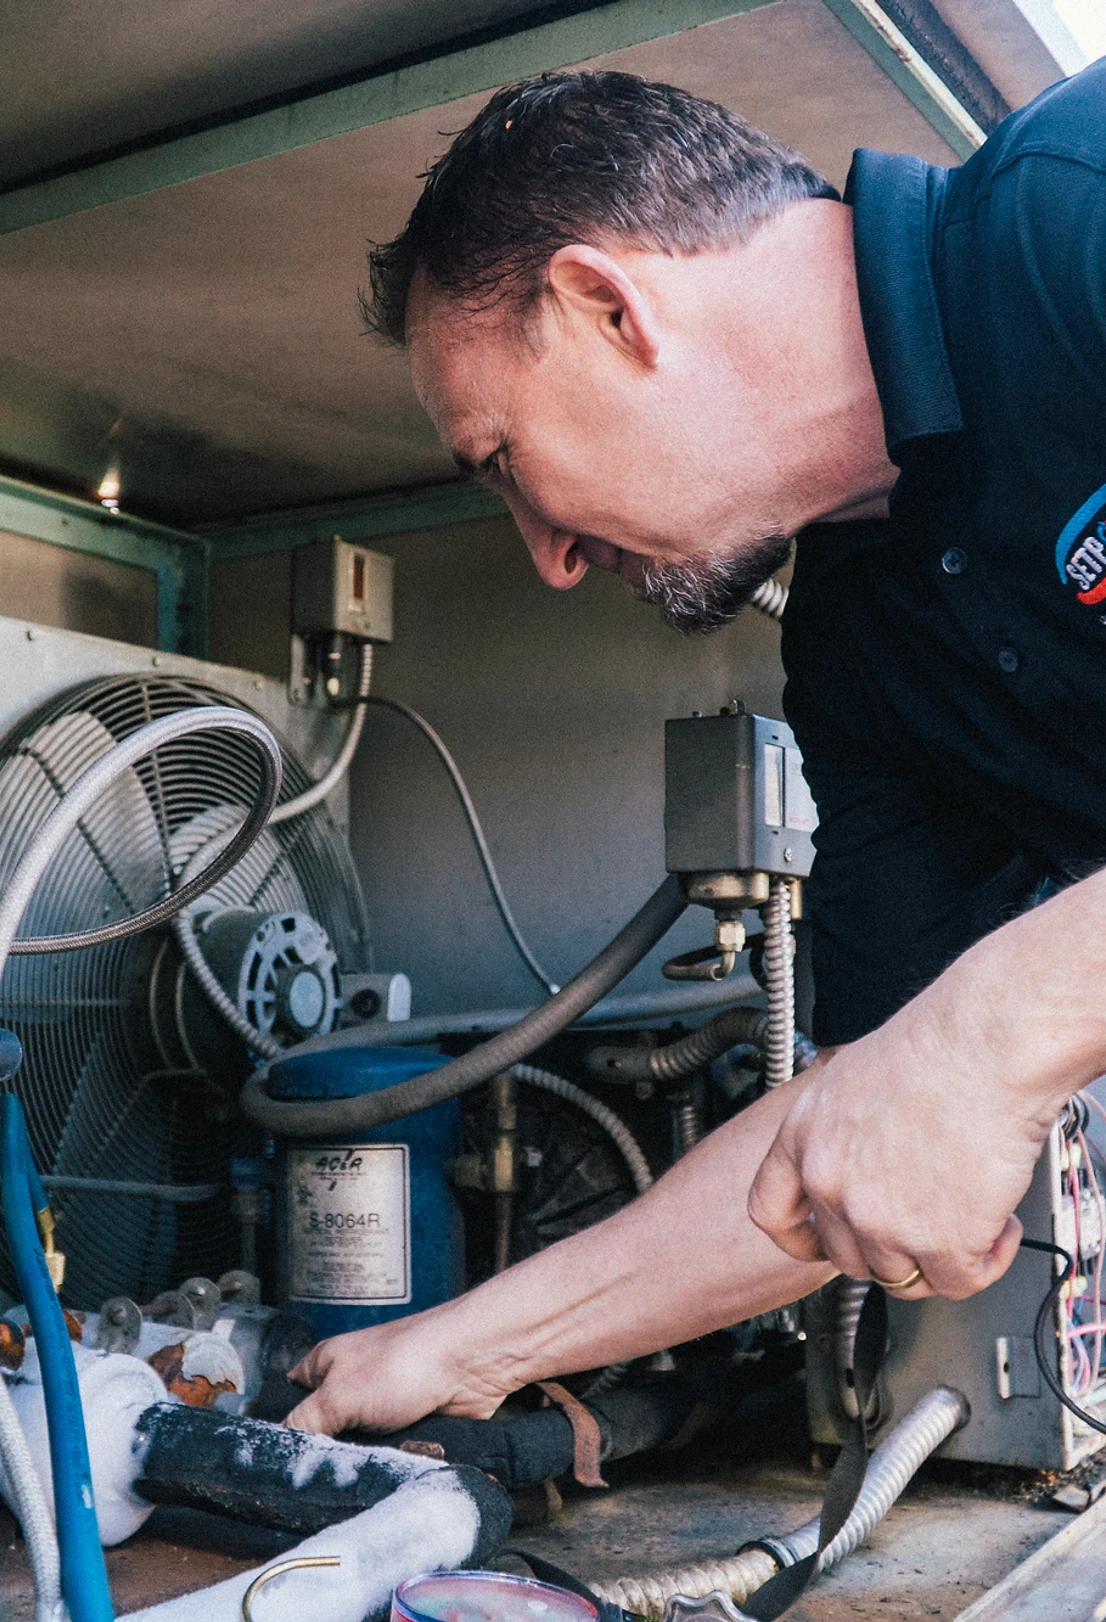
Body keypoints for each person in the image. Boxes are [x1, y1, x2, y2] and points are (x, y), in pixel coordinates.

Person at [286, 61, 1106, 1437]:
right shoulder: (860, 655)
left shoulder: (1071, 204)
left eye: (497, 457)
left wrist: (991, 1031)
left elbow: (945, 1057)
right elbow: (831, 1137)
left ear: (605, 306)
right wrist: (459, 1350)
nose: (543, 556)